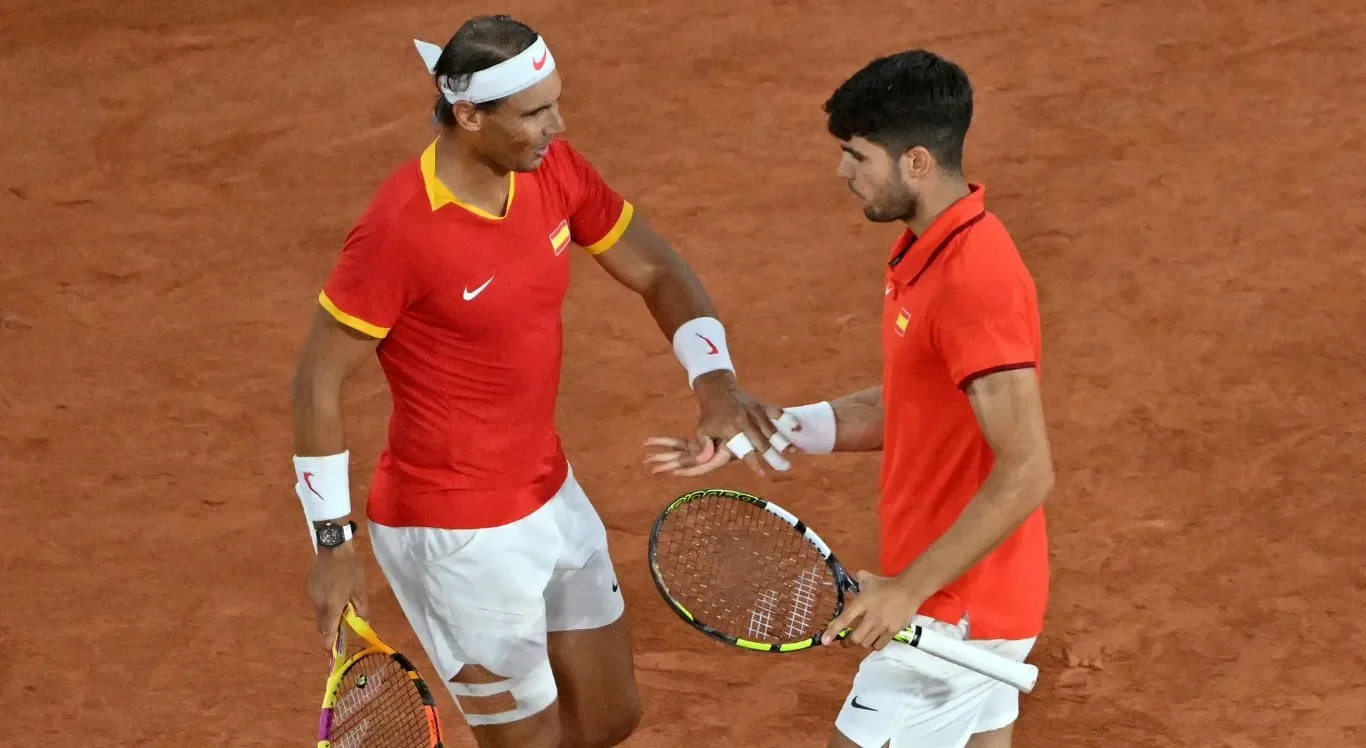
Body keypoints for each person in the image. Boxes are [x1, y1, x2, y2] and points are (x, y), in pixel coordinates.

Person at [289, 15, 793, 748]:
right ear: (469, 116)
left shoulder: (550, 169)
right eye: (534, 113)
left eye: (554, 103)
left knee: (607, 716)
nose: (557, 125)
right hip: (454, 529)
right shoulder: (399, 230)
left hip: (547, 490)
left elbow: (657, 269)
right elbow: (315, 380)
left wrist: (714, 380)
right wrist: (331, 545)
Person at [644, 50, 1055, 748]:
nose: (844, 172)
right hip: (970, 592)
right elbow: (912, 408)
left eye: (857, 155)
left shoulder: (974, 281)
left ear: (917, 162)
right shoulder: (927, 253)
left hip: (956, 604)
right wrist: (771, 428)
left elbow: (1028, 470)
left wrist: (906, 591)